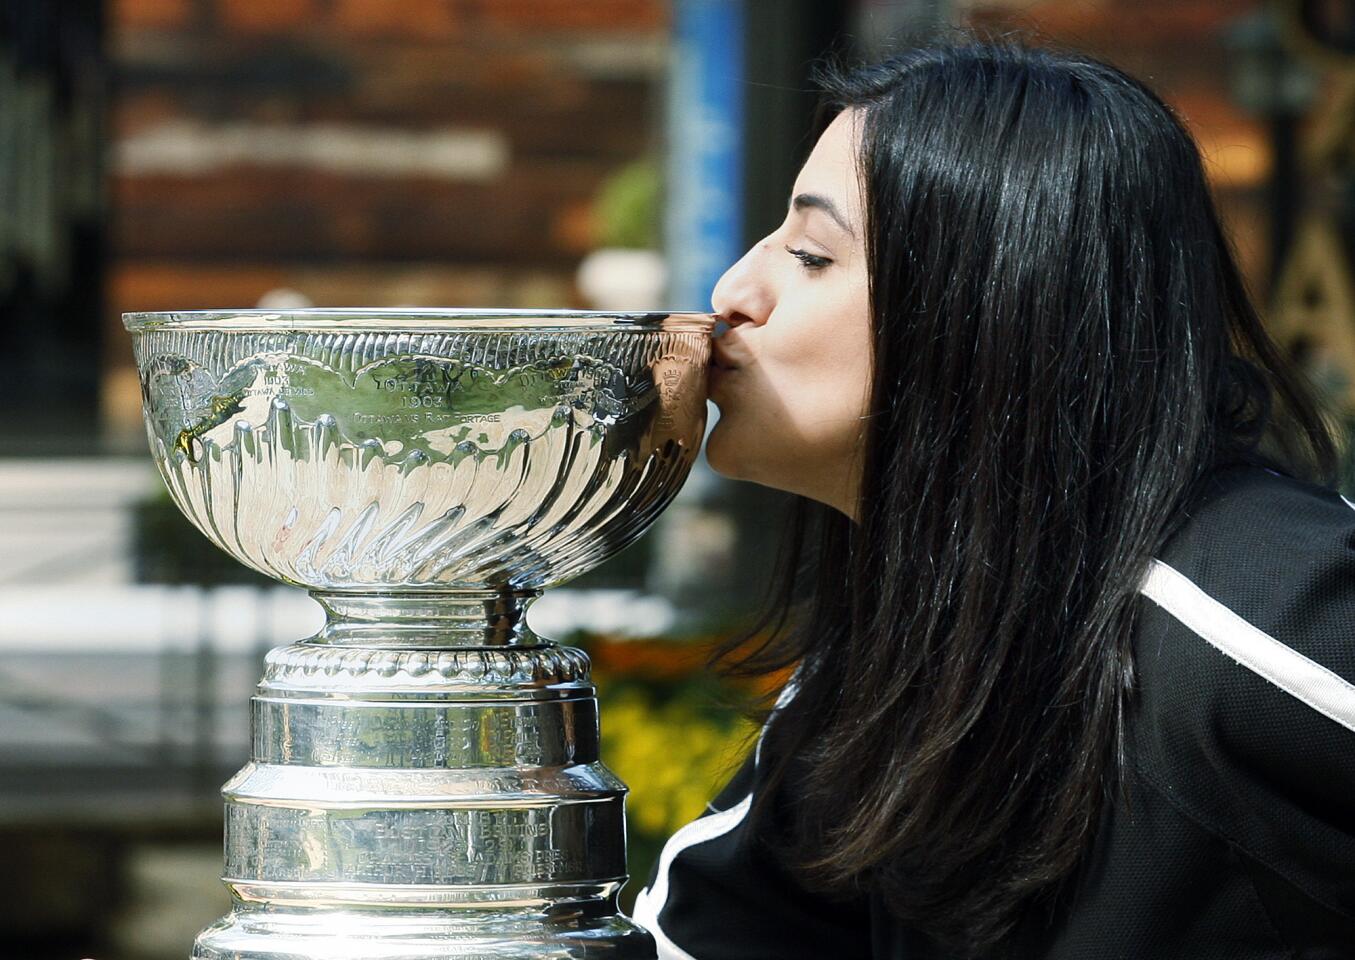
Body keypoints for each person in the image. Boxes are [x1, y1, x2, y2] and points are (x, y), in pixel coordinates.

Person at [630, 38, 1355, 960]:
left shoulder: (1269, 614)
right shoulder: (907, 661)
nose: (733, 291)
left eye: (811, 254)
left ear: (993, 302)